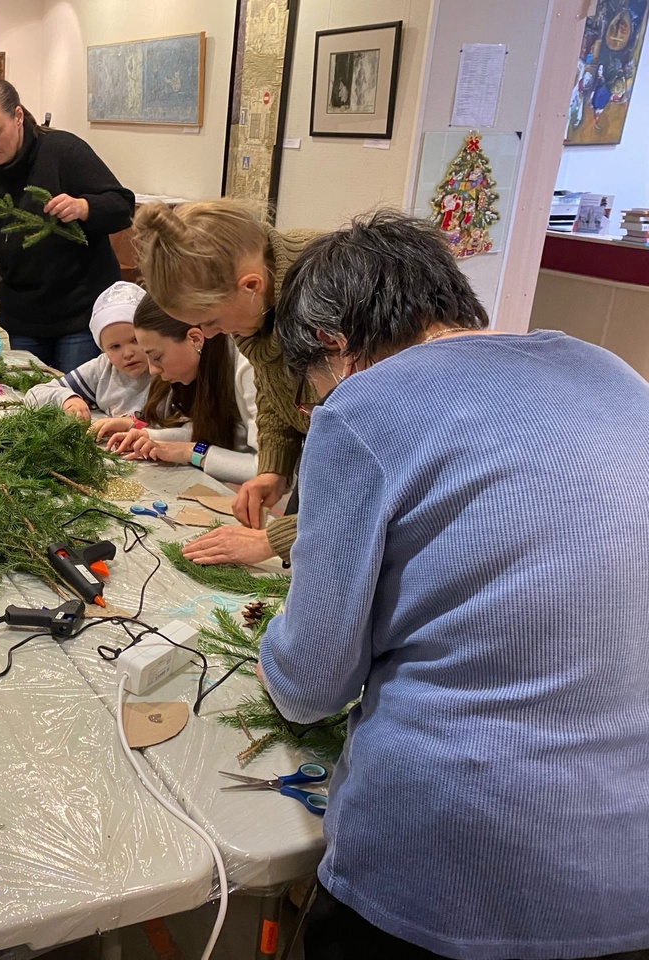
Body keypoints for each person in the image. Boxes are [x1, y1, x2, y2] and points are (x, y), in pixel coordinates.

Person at [259, 212, 649, 959]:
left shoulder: (361, 408)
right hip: (627, 868)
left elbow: (311, 684)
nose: (316, 408)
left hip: (455, 861)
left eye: (312, 388)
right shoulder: (615, 372)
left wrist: (271, 652)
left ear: (335, 347)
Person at [134, 199, 317, 565]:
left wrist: (272, 540)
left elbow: (365, 484)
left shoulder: (329, 311)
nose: (209, 335)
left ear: (250, 286)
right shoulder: (260, 301)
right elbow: (274, 389)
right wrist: (274, 469)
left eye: (211, 321)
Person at [0, 78, 135, 373]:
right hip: (25, 319)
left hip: (81, 314)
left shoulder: (63, 151)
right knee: (32, 397)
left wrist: (84, 207)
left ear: (18, 116)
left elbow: (122, 206)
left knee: (77, 398)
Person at [104, 296, 258, 485]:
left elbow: (269, 471)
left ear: (195, 339)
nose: (152, 370)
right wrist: (151, 436)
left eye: (157, 357)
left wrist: (191, 452)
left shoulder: (250, 369)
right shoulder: (208, 365)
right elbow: (208, 430)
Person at [25, 281, 150, 420]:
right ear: (103, 349)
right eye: (115, 347)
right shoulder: (103, 368)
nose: (128, 354)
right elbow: (35, 394)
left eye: (135, 340)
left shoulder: (165, 373)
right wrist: (67, 399)